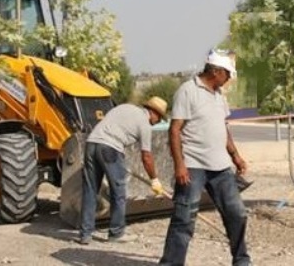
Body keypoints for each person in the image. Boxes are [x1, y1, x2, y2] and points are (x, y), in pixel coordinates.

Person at [159, 50, 251, 266]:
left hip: (220, 167)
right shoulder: (187, 91)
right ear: (216, 71)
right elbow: (174, 130)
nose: (229, 79)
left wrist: (235, 155)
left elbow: (223, 127)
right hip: (193, 165)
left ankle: (242, 260)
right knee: (184, 218)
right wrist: (179, 165)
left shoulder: (219, 95)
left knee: (237, 213)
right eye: (228, 74)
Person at [75, 96, 168, 245]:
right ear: (153, 112)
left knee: (91, 190)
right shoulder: (144, 124)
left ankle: (85, 234)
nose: (158, 121)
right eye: (159, 118)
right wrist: (154, 180)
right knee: (119, 192)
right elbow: (147, 157)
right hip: (110, 148)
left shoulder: (125, 107)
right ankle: (116, 233)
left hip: (91, 144)